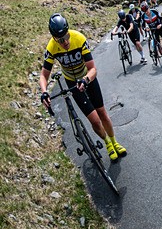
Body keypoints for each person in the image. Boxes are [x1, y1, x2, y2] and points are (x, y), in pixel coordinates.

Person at [39, 13, 127, 161]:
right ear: (54, 38)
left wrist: (86, 80)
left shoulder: (79, 38)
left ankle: (115, 142)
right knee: (94, 120)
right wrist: (44, 92)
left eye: (66, 36)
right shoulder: (51, 47)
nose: (65, 42)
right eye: (60, 40)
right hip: (72, 82)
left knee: (102, 112)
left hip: (88, 78)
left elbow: (93, 68)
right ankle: (107, 144)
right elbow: (43, 75)